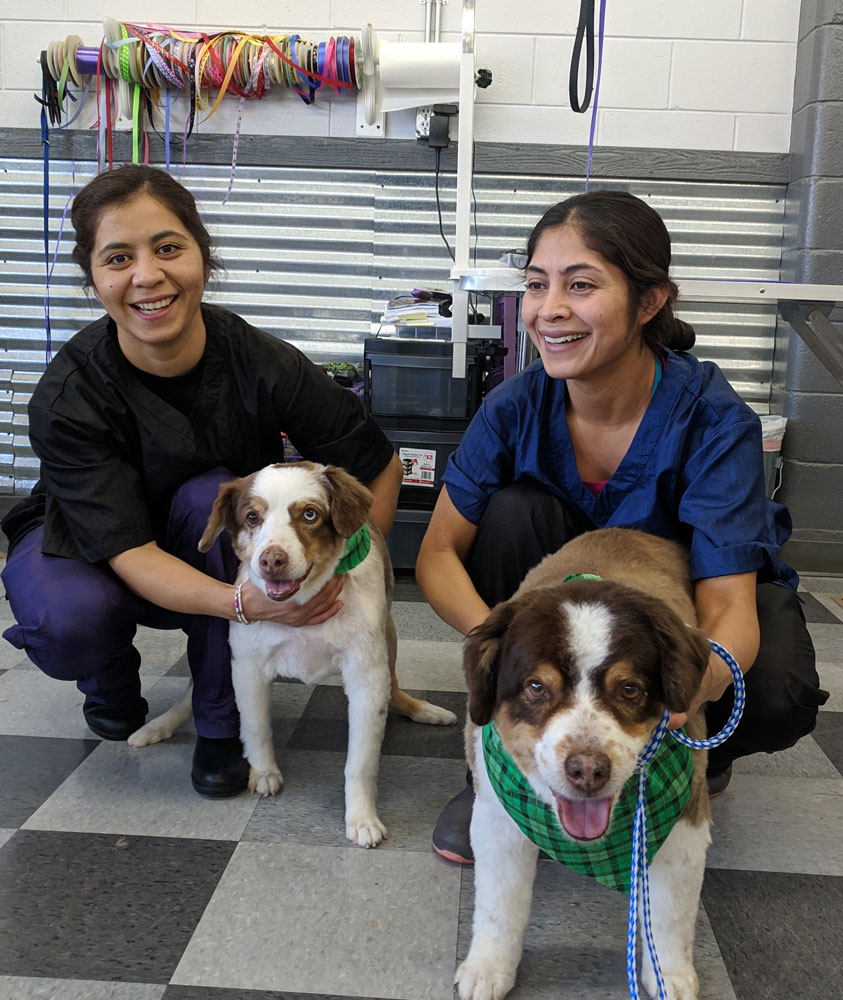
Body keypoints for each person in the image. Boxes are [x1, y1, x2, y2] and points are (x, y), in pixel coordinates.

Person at [415, 189, 828, 864]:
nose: (549, 309)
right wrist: (505, 658)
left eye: (580, 285)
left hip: (679, 610)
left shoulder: (713, 421)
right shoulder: (514, 406)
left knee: (775, 691)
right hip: (555, 613)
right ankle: (497, 775)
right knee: (512, 512)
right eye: (536, 284)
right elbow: (436, 553)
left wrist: (691, 692)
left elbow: (727, 603)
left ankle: (699, 753)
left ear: (648, 301)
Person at [1, 164, 403, 798]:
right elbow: (126, 548)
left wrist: (342, 569)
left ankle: (220, 722)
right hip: (89, 540)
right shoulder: (69, 395)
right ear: (94, 278)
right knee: (69, 618)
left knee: (210, 495)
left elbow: (377, 464)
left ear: (202, 257)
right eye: (118, 258)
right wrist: (244, 604)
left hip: (207, 537)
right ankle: (108, 676)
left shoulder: (262, 361)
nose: (147, 276)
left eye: (167, 248)